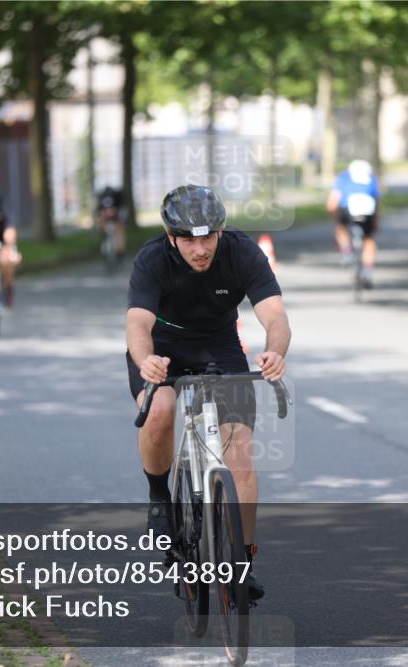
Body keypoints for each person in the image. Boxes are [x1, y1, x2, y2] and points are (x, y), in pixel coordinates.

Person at [126, 184, 291, 601]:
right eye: (188, 240)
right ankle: (160, 496)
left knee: (241, 456)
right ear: (171, 238)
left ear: (220, 232)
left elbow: (276, 316)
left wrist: (275, 350)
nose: (200, 249)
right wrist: (147, 361)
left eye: (207, 238)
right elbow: (137, 326)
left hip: (219, 345)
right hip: (162, 348)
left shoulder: (241, 252)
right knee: (160, 408)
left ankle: (242, 562)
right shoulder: (152, 259)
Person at [327, 159, 381, 288]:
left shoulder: (343, 178)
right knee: (369, 240)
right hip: (368, 210)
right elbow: (377, 203)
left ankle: (346, 252)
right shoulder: (371, 179)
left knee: (341, 227)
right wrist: (375, 223)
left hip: (347, 209)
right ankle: (368, 272)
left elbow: (332, 203)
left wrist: (336, 219)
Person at [95, 185, 127, 258]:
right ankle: (104, 237)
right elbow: (99, 213)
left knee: (119, 230)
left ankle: (120, 251)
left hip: (117, 215)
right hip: (106, 215)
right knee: (101, 221)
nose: (110, 211)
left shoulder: (118, 201)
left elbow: (121, 213)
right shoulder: (102, 202)